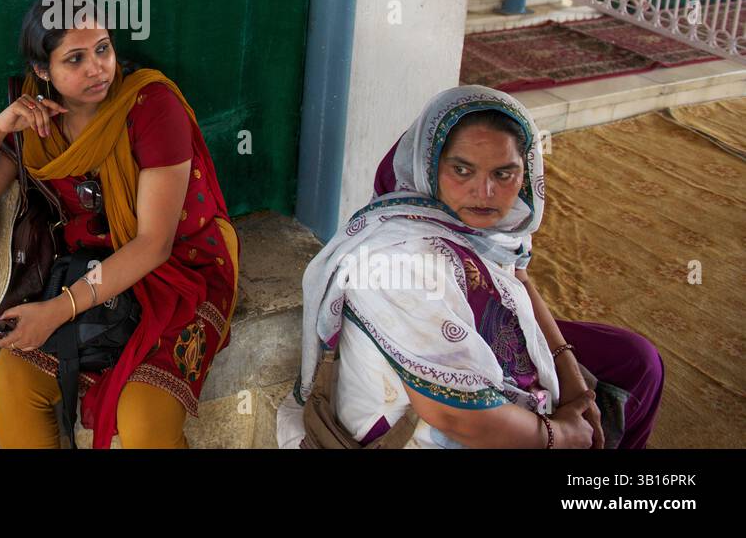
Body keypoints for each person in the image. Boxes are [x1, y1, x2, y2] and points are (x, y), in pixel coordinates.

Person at [278, 86, 664, 449]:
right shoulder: (397, 260)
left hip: (484, 348)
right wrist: (558, 434)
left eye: (503, 173)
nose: (485, 192)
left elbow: (518, 278)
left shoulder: (487, 228)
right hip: (418, 423)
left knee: (636, 360)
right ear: (428, 165)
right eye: (462, 171)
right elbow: (452, 413)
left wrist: (577, 388)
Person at [0, 0, 239, 448]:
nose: (97, 68)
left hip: (180, 270)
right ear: (43, 72)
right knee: (16, 381)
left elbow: (154, 244)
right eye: (75, 59)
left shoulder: (151, 106)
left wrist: (56, 311)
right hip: (93, 273)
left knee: (143, 420)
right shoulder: (36, 125)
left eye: (102, 49)